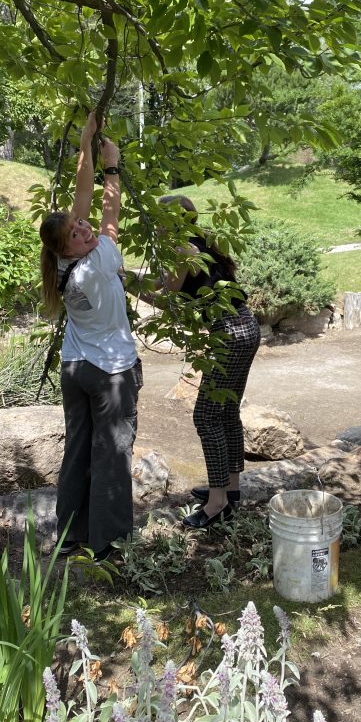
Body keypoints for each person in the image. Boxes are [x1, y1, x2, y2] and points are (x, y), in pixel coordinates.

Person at [39, 113, 141, 560]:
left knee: (78, 451)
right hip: (110, 373)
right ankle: (111, 546)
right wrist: (113, 165)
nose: (85, 230)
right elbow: (109, 211)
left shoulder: (60, 263)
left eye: (82, 227)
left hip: (75, 367)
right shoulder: (98, 261)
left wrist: (86, 143)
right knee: (112, 456)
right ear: (68, 247)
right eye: (77, 232)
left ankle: (70, 536)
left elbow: (81, 198)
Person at [153, 195, 261, 530]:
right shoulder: (199, 242)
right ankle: (230, 489)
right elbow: (163, 283)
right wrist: (131, 277)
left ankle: (218, 504)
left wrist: (127, 285)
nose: (154, 225)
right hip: (245, 327)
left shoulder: (182, 249)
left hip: (228, 333)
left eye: (159, 219)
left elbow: (167, 300)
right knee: (226, 412)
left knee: (206, 416)